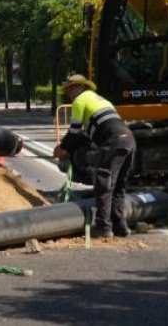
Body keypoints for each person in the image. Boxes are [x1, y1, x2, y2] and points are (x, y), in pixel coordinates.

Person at [53, 74, 136, 238]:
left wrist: (62, 148)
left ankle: (103, 227)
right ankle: (120, 226)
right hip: (129, 140)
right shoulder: (101, 100)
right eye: (68, 90)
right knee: (118, 186)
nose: (69, 92)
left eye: (71, 88)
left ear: (81, 87)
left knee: (103, 183)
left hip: (113, 141)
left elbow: (74, 132)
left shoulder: (80, 100)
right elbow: (89, 134)